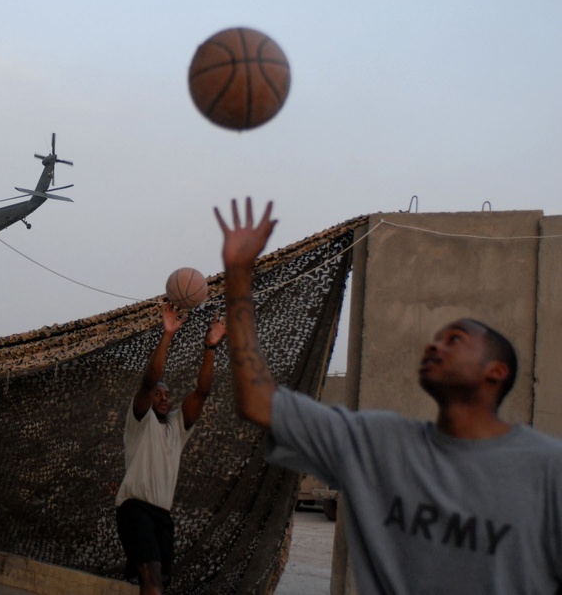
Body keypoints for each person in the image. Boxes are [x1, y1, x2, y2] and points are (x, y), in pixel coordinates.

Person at [215, 197, 562, 594]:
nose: (435, 346)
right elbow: (257, 401)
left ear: (495, 372)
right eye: (434, 339)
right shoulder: (375, 445)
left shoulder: (548, 472)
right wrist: (239, 275)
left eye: (455, 339)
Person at [115, 302, 225, 595]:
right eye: (158, 394)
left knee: (157, 583)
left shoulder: (177, 425)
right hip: (134, 509)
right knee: (152, 581)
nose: (163, 397)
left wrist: (210, 347)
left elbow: (202, 392)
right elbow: (149, 379)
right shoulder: (140, 417)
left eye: (167, 394)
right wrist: (167, 335)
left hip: (162, 515)